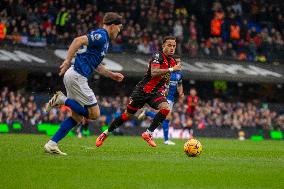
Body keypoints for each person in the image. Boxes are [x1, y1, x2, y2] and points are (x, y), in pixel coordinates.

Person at [44, 12, 124, 155]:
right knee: (94, 114)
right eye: (119, 27)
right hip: (77, 76)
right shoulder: (101, 35)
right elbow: (77, 41)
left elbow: (97, 66)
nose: (120, 31)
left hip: (74, 76)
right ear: (112, 26)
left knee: (77, 117)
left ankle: (52, 143)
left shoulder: (104, 42)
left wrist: (112, 75)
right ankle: (62, 99)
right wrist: (67, 61)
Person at [96, 36, 181, 148]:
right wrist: (171, 69)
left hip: (156, 93)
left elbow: (166, 78)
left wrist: (165, 88)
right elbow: (154, 72)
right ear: (163, 46)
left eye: (174, 46)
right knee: (127, 115)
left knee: (165, 108)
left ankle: (148, 133)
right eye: (169, 45)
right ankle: (105, 133)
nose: (172, 48)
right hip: (142, 91)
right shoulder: (157, 56)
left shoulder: (173, 61)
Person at [137, 55, 184, 145]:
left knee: (164, 118)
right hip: (165, 97)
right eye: (177, 61)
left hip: (172, 98)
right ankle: (166, 140)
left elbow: (180, 84)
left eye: (180, 61)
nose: (179, 63)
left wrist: (181, 93)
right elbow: (160, 82)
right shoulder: (168, 72)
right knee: (167, 117)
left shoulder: (179, 74)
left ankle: (147, 113)